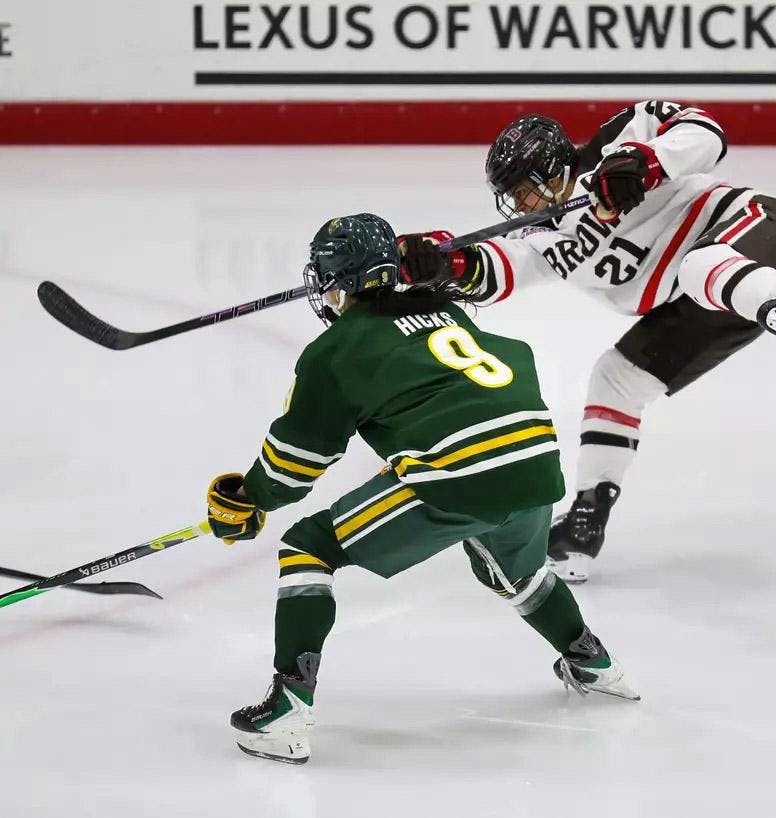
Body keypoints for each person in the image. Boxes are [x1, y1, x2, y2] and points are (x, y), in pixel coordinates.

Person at [206, 214, 638, 765]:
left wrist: (247, 501)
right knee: (512, 569)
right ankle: (595, 664)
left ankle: (286, 711)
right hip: (536, 463)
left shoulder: (335, 351)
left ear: (334, 279)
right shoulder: (443, 306)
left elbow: (293, 466)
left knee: (308, 548)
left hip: (461, 474)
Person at [399, 100, 776, 583]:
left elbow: (708, 133)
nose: (520, 205)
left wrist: (646, 161)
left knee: (701, 264)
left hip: (750, 232)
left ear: (553, 171)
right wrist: (443, 264)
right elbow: (494, 268)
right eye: (512, 195)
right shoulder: (540, 236)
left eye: (525, 190)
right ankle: (585, 521)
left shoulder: (619, 138)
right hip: (702, 298)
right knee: (615, 379)